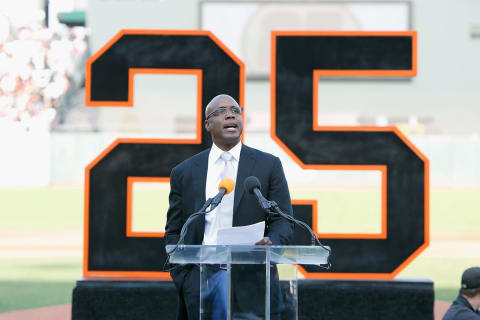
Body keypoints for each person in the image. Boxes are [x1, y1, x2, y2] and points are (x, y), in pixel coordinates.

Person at [164, 94, 294, 320]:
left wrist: (271, 243)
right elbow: (174, 231)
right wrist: (186, 279)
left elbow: (283, 221)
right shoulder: (184, 172)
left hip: (253, 280)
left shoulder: (268, 165)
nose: (231, 114)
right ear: (207, 124)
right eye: (221, 111)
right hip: (202, 280)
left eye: (235, 110)